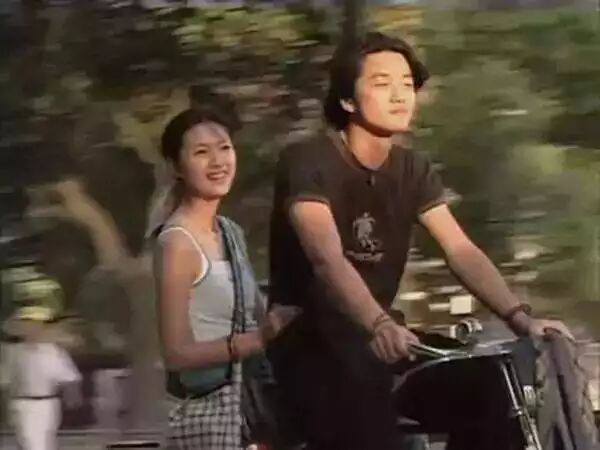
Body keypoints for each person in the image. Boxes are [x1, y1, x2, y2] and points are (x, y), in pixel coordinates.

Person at [267, 31, 572, 450]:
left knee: (494, 390)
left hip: (384, 340)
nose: (400, 95)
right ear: (347, 100)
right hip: (311, 345)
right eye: (382, 83)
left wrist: (522, 320)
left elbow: (460, 250)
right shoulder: (307, 160)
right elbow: (327, 259)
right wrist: (378, 323)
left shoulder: (413, 169)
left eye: (407, 84)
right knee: (366, 415)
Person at [151, 97, 299, 449]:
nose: (218, 161)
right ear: (176, 167)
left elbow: (256, 314)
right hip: (209, 411)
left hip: (248, 406)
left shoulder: (231, 232)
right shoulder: (177, 242)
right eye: (201, 152)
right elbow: (176, 354)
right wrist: (257, 340)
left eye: (224, 148)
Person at [0, 305, 82, 450]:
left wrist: (72, 397)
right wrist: (7, 408)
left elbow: (68, 377)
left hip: (48, 404)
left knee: (43, 443)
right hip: (22, 404)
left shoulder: (54, 351)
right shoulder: (13, 352)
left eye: (37, 325)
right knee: (31, 442)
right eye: (28, 325)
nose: (32, 329)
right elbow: (5, 381)